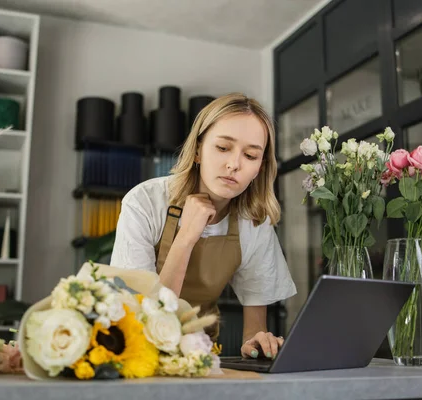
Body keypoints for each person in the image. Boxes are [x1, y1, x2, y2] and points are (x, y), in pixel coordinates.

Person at [110, 92, 296, 359]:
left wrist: (256, 343)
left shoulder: (254, 222)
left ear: (259, 168)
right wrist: (186, 237)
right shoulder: (144, 202)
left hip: (199, 354)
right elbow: (146, 316)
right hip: (134, 349)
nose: (234, 164)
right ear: (197, 150)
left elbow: (254, 329)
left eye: (251, 155)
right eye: (222, 148)